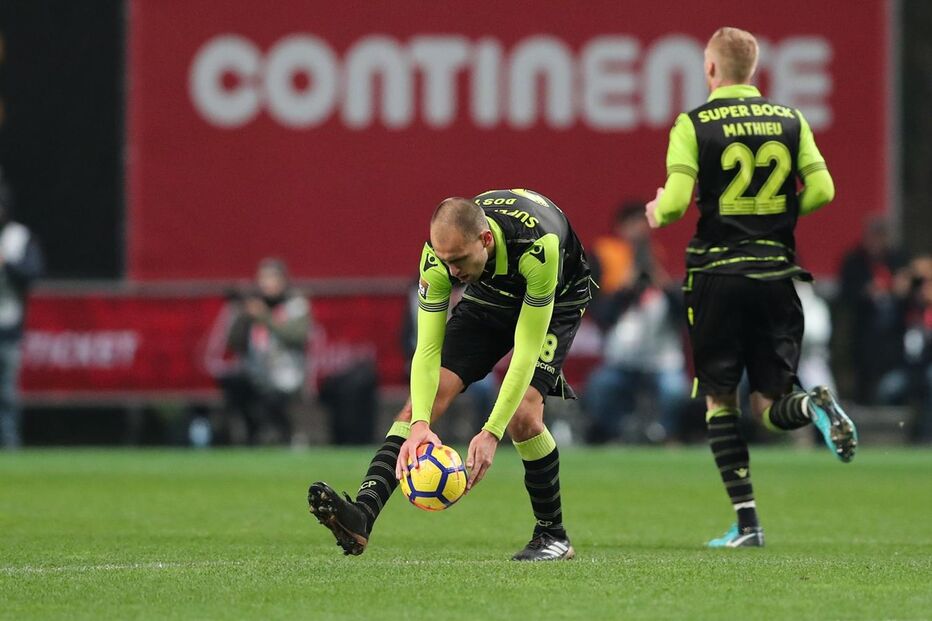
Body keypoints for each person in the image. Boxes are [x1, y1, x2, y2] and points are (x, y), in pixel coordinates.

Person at [645, 27, 858, 548]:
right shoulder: (791, 119)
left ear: (712, 69)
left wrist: (656, 211)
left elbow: (674, 205)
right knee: (772, 404)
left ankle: (747, 524)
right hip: (776, 276)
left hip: (718, 276)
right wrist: (777, 221)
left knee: (722, 402)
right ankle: (814, 407)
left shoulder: (693, 123)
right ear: (754, 70)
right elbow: (825, 190)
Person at [308, 189, 592, 561]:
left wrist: (491, 431)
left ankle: (553, 536)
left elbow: (525, 349)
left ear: (485, 240)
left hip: (558, 299)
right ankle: (363, 513)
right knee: (417, 406)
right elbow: (425, 351)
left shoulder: (539, 247)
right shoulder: (439, 259)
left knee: (523, 415)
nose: (453, 272)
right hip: (489, 294)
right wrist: (423, 423)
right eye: (446, 261)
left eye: (459, 260)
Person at [214, 258, 310, 444]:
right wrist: (242, 316)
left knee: (273, 400)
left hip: (286, 375)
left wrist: (265, 317)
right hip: (257, 373)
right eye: (263, 278)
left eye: (272, 277)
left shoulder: (295, 305)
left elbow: (296, 335)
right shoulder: (253, 306)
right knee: (235, 385)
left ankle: (286, 435)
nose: (267, 283)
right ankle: (250, 437)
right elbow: (234, 343)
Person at [0, 168, 44, 448]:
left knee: (7, 394)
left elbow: (34, 273)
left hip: (9, 326)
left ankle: (9, 445)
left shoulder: (19, 237)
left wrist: (7, 263)